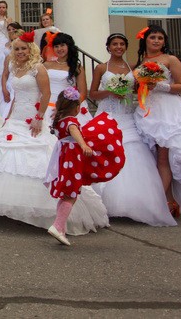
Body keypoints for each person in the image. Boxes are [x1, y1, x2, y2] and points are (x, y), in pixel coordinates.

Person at [0, 32, 109, 235]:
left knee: (37, 156)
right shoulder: (14, 67)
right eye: (16, 49)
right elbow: (16, 95)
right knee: (5, 154)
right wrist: (9, 115)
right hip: (16, 116)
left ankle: (49, 211)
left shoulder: (39, 68)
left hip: (33, 118)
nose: (19, 52)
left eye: (23, 49)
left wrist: (39, 117)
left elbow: (45, 94)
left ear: (31, 50)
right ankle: (10, 202)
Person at [89, 33, 176, 226]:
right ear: (108, 47)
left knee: (134, 155)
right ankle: (101, 204)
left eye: (121, 44)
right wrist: (110, 92)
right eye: (114, 44)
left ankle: (135, 203)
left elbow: (140, 89)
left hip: (127, 116)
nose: (118, 47)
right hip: (107, 115)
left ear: (125, 47)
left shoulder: (134, 69)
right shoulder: (101, 68)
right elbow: (92, 93)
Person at [132, 25, 181, 217]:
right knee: (154, 157)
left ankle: (157, 202)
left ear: (164, 42)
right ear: (145, 40)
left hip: (168, 111)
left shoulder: (170, 60)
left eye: (160, 38)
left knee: (164, 157)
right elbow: (136, 89)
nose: (156, 41)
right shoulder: (140, 62)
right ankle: (170, 201)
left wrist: (160, 85)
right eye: (152, 38)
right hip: (147, 109)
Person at [44, 87, 125, 245]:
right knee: (71, 193)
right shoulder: (70, 121)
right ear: (75, 108)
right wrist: (83, 145)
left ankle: (59, 226)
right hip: (72, 159)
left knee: (67, 193)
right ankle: (58, 225)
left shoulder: (58, 120)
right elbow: (74, 130)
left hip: (64, 158)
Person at [43, 33, 93, 126]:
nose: (59, 49)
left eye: (62, 45)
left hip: (68, 104)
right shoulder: (46, 65)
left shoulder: (77, 67)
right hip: (47, 102)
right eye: (56, 46)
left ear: (69, 46)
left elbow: (83, 93)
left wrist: (66, 108)